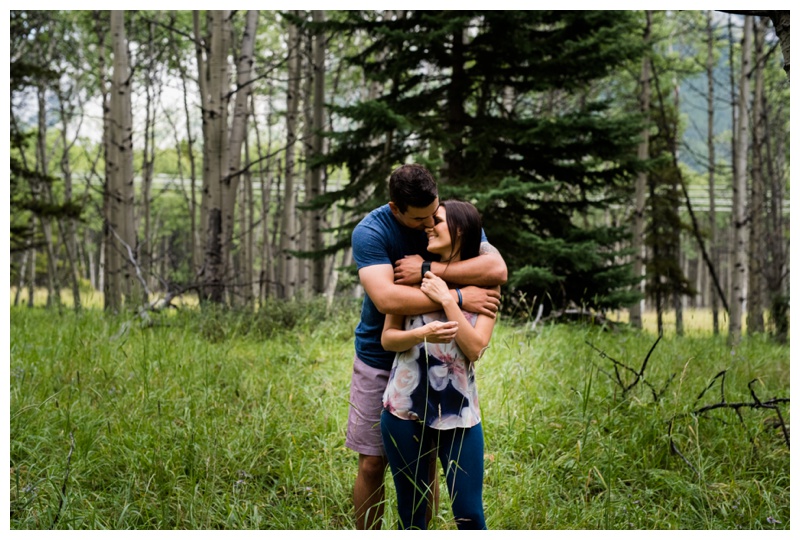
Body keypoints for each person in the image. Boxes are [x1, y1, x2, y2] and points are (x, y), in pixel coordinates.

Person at [348, 164, 507, 529]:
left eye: (434, 215)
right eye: (420, 219)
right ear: (395, 209)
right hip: (380, 356)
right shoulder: (371, 232)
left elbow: (497, 270)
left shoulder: (448, 219)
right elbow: (388, 298)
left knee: (429, 463)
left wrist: (429, 272)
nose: (429, 225)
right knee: (372, 461)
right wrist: (459, 296)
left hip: (442, 370)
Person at [380, 200, 497, 530]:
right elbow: (388, 338)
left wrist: (449, 299)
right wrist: (422, 332)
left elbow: (475, 349)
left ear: (460, 230)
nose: (430, 225)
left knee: (470, 514)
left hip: (460, 413)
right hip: (405, 409)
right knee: (413, 515)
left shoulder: (486, 286)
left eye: (439, 221)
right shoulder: (409, 276)